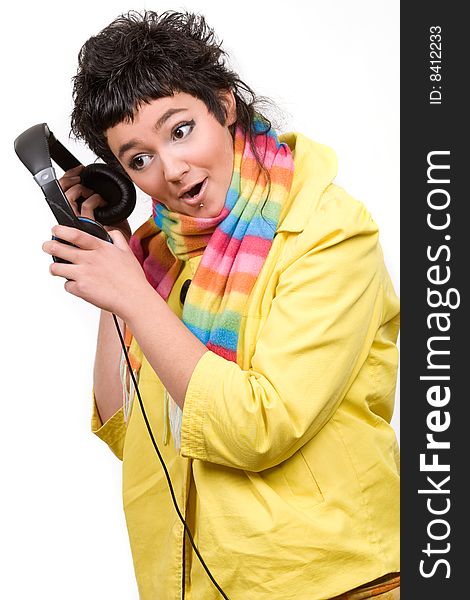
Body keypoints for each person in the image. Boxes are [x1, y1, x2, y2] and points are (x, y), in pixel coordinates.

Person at [42, 10, 400, 600]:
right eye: (138, 159)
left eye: (179, 129)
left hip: (338, 585)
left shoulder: (327, 233)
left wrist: (131, 291)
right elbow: (128, 431)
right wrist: (117, 258)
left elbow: (259, 427)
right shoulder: (162, 258)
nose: (172, 169)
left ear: (224, 103)